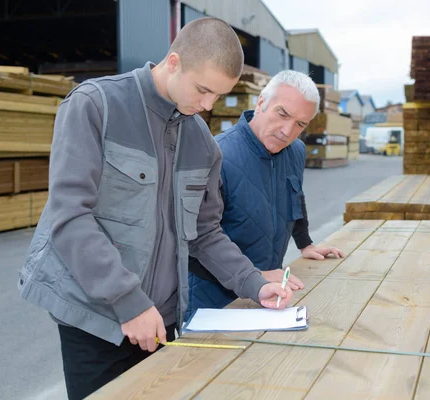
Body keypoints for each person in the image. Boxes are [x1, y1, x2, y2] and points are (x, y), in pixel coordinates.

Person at [18, 18, 295, 400]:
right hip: (95, 316)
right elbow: (70, 217)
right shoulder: (96, 105)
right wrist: (128, 302)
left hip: (161, 320)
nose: (207, 106)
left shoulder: (203, 144)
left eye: (218, 95)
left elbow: (207, 233)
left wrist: (255, 283)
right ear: (175, 62)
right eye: (203, 90)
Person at [185, 70, 344, 321]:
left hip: (268, 290)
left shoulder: (295, 151)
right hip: (213, 296)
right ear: (261, 102)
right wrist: (255, 275)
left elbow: (295, 196)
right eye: (282, 114)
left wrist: (305, 243)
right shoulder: (216, 153)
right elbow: (199, 237)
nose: (287, 131)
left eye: (300, 124)